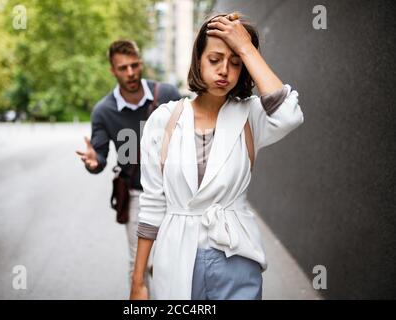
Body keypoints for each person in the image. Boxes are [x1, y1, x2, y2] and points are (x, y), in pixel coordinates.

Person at [130, 12, 304, 300]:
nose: (224, 70)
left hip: (236, 258)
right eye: (214, 59)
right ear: (198, 59)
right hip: (175, 260)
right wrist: (138, 282)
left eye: (236, 63)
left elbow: (289, 116)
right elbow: (151, 204)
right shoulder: (163, 119)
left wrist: (247, 47)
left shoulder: (251, 115)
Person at [76, 40, 181, 291]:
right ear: (113, 70)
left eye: (134, 65)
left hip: (177, 194)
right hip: (137, 196)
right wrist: (93, 162)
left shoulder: (167, 95)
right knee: (139, 266)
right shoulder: (104, 111)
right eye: (123, 68)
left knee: (178, 261)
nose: (131, 73)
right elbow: (99, 158)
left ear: (141, 62)